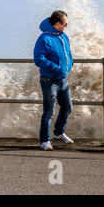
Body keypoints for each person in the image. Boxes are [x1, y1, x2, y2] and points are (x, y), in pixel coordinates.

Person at [34, 10, 74, 151]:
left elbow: (68, 54)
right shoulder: (44, 38)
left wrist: (69, 65)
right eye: (65, 24)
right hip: (49, 80)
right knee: (49, 112)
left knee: (68, 107)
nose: (66, 27)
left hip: (63, 81)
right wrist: (57, 69)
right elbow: (39, 59)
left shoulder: (63, 36)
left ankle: (58, 133)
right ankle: (45, 140)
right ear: (58, 24)